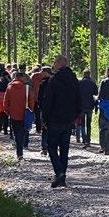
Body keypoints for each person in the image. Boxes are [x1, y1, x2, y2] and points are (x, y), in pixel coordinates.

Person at [40, 55, 81, 188]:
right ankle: (62, 177)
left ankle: (59, 172)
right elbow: (79, 100)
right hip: (68, 120)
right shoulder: (74, 80)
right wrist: (75, 116)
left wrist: (44, 119)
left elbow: (48, 101)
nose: (53, 65)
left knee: (51, 146)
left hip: (54, 119)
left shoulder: (54, 80)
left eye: (54, 63)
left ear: (59, 64)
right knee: (64, 149)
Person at [4, 70, 28, 161]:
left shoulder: (9, 87)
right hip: (24, 114)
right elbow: (31, 100)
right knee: (22, 133)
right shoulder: (26, 88)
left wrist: (8, 112)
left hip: (13, 115)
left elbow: (6, 102)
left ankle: (19, 153)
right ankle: (21, 150)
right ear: (21, 77)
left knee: (16, 133)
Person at [77, 69, 98, 147]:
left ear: (83, 74)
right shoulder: (93, 84)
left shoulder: (80, 83)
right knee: (88, 124)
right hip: (90, 106)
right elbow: (96, 95)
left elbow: (77, 95)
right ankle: (88, 140)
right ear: (89, 74)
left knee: (82, 123)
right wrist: (96, 108)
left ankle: (84, 139)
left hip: (82, 107)